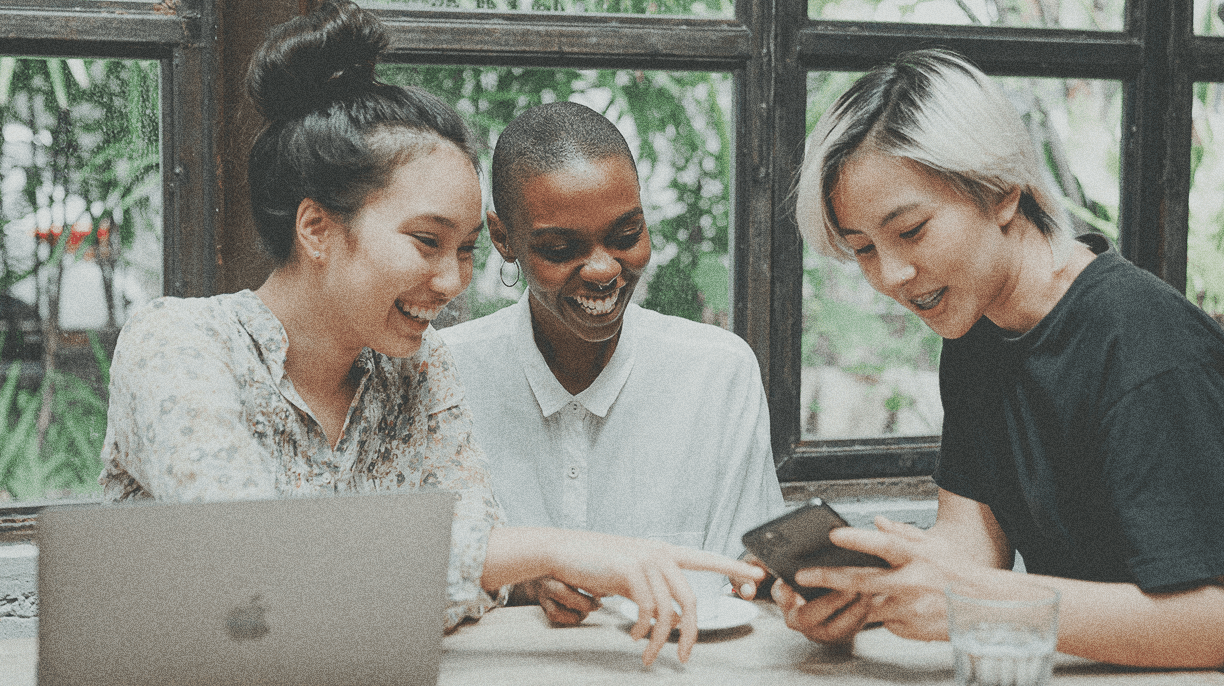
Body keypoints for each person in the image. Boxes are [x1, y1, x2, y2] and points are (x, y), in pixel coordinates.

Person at [97, 1, 762, 668]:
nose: (452, 283)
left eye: (467, 250)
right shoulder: (179, 344)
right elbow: (257, 582)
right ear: (317, 229)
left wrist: (473, 566)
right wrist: (550, 550)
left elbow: (473, 584)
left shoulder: (418, 366)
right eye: (426, 242)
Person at [782, 48, 1224, 668]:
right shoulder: (976, 331)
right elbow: (974, 538)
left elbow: (1214, 620)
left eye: (910, 231)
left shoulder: (1143, 342)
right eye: (862, 249)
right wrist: (869, 593)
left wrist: (982, 599)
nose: (893, 275)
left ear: (1001, 193)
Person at [439, 101, 786, 624]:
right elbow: (397, 575)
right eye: (559, 248)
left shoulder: (718, 372)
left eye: (626, 236)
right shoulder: (444, 375)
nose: (603, 269)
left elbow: (747, 575)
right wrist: (518, 579)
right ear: (503, 238)